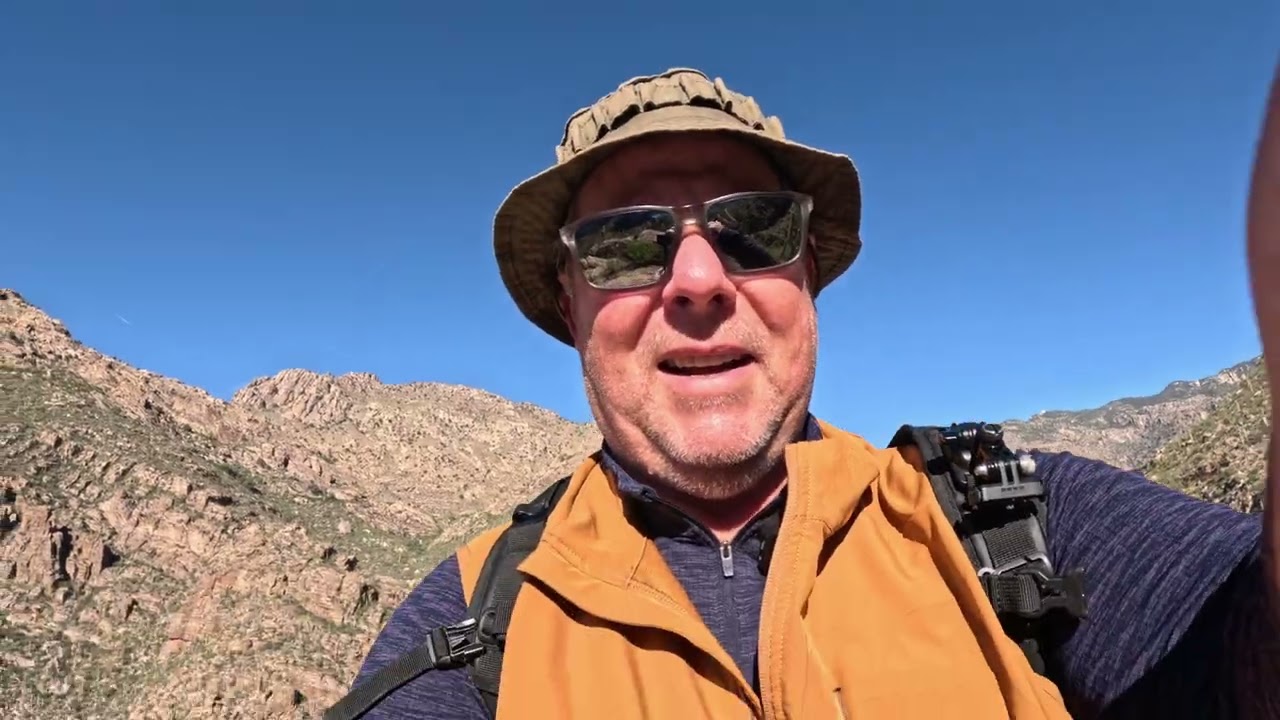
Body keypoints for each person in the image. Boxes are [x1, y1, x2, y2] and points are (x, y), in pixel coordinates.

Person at [337, 67, 1280, 718]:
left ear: (808, 273)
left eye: (754, 228)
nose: (699, 279)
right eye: (626, 242)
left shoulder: (1010, 519)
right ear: (567, 300)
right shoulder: (476, 621)